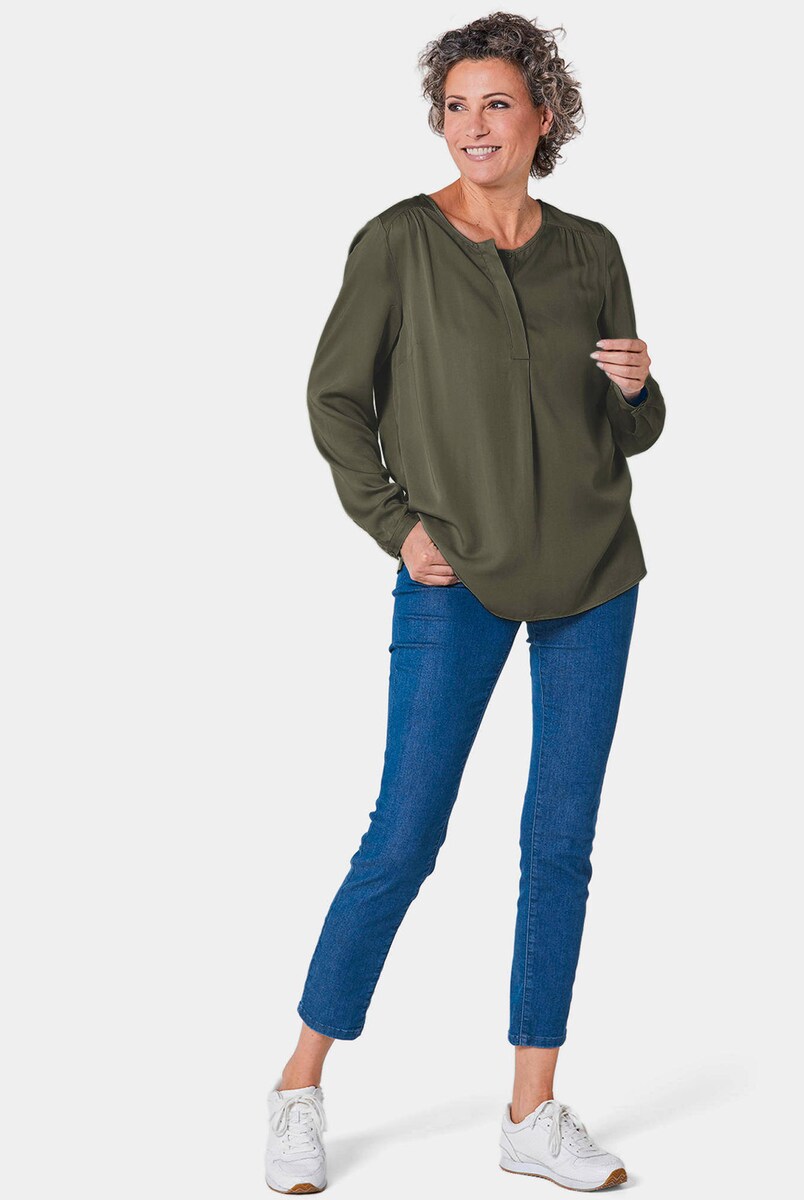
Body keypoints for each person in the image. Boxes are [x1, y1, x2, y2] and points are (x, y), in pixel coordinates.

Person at [265, 12, 666, 1194]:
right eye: (456, 106)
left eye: (498, 103)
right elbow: (335, 401)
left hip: (594, 574)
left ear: (544, 115)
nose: (474, 126)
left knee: (560, 842)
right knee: (404, 836)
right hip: (459, 578)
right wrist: (398, 525)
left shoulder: (590, 250)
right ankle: (298, 1086)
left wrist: (640, 389)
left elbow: (630, 429)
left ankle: (531, 1112)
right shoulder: (398, 242)